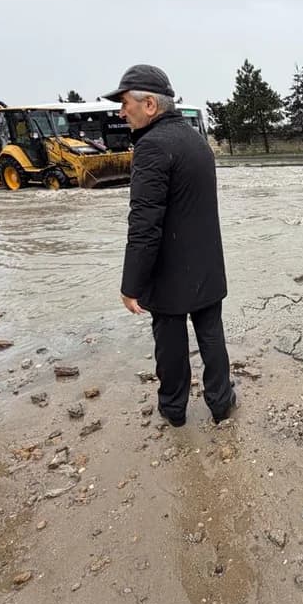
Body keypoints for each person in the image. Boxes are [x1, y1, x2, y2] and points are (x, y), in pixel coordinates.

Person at [105, 65, 235, 426]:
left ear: (149, 104)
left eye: (124, 102)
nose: (120, 111)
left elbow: (144, 224)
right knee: (212, 338)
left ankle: (174, 410)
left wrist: (131, 285)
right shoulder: (196, 140)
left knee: (171, 345)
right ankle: (221, 403)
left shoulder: (151, 147)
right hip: (207, 266)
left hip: (169, 273)